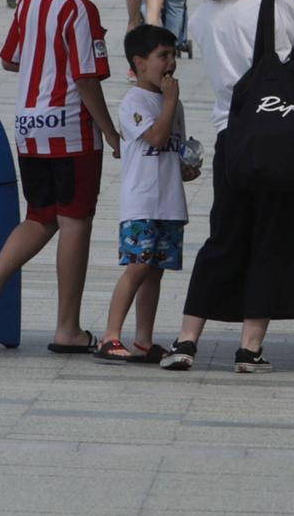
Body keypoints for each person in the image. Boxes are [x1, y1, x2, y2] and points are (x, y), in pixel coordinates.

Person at [162, 0, 294, 373]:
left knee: (224, 237)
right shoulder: (277, 5)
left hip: (230, 138)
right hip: (277, 138)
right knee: (272, 238)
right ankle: (248, 348)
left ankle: (186, 340)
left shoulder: (203, 14)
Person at [0, 0, 121, 352]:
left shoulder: (30, 1)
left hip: (30, 128)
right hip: (71, 131)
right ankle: (67, 327)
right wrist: (110, 129)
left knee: (41, 215)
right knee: (75, 221)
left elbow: (11, 61)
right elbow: (88, 78)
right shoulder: (81, 10)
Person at [97, 24, 195, 364]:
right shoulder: (135, 101)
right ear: (139, 63)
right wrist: (169, 102)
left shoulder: (173, 103)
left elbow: (171, 145)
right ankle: (110, 335)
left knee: (155, 270)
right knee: (138, 266)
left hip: (169, 201)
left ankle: (143, 339)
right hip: (142, 202)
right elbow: (154, 137)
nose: (170, 63)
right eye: (162, 57)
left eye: (173, 55)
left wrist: (187, 167)